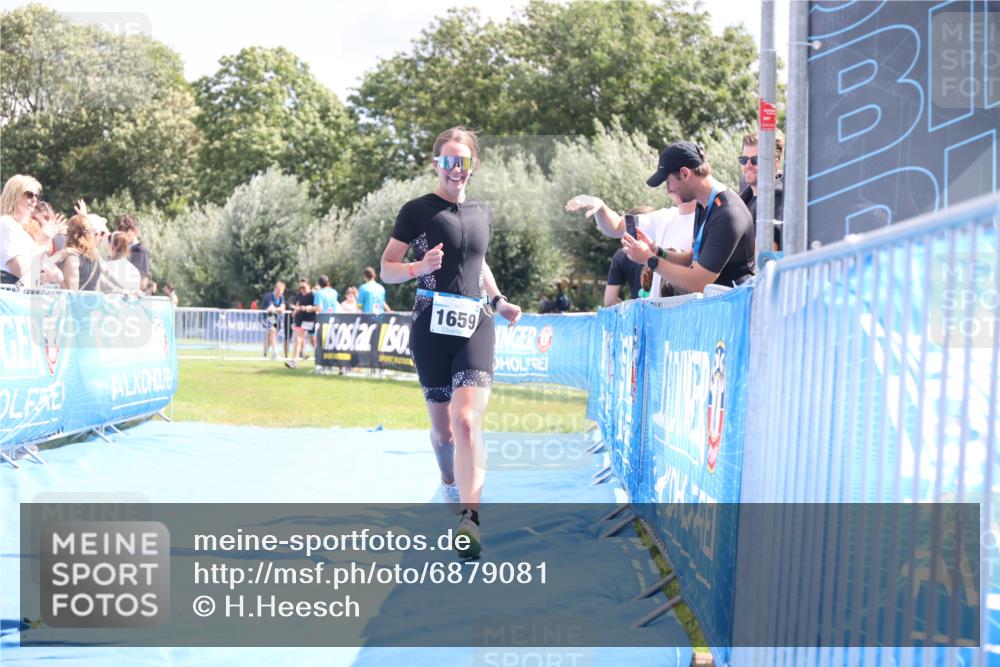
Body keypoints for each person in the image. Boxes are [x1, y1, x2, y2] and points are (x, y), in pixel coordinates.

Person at [379, 126, 522, 559]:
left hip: (474, 324)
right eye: (448, 161)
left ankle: (470, 520)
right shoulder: (417, 210)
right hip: (429, 324)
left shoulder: (482, 212)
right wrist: (418, 266)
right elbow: (387, 269)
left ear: (472, 166)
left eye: (463, 162)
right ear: (436, 164)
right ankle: (447, 483)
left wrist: (497, 301)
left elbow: (478, 265)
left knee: (465, 423)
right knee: (442, 435)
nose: (455, 169)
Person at [619, 141, 755, 293]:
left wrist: (649, 259)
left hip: (736, 310)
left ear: (685, 173)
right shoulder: (703, 204)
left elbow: (698, 282)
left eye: (668, 182)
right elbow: (692, 258)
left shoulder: (727, 213)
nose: (667, 190)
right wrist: (656, 250)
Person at [566, 178, 696, 300]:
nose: (667, 188)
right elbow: (616, 226)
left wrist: (651, 257)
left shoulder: (709, 220)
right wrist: (600, 206)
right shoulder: (664, 217)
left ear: (686, 174)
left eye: (670, 180)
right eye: (665, 181)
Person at [0, 175, 62, 287]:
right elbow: (21, 271)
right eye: (29, 195)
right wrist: (42, 242)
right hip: (9, 299)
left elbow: (57, 276)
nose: (34, 200)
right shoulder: (6, 224)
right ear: (14, 195)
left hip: (22, 297)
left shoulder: (24, 232)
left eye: (37, 196)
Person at [739, 128, 785, 251]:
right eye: (743, 160)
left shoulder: (778, 198)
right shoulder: (741, 202)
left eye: (755, 160)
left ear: (775, 163)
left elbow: (768, 251)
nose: (747, 165)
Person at [604, 206, 655, 306]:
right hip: (667, 313)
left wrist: (630, 311)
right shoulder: (664, 251)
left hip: (637, 318)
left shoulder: (621, 255)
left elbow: (609, 301)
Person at [54, 215, 103, 291]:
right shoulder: (96, 257)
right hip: (93, 302)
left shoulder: (73, 258)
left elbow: (72, 295)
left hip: (78, 302)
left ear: (69, 234)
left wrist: (57, 278)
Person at [285, 277, 316, 369]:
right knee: (297, 340)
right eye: (300, 287)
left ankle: (320, 359)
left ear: (309, 286)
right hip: (300, 320)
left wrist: (306, 308)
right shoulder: (298, 295)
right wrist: (295, 308)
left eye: (304, 287)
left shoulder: (313, 295)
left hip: (310, 320)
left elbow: (317, 307)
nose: (302, 289)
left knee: (313, 342)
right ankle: (293, 361)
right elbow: (291, 304)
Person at [115, 214, 150, 292]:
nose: (123, 235)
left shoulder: (140, 250)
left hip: (131, 298)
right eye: (120, 231)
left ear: (135, 231)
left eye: (126, 231)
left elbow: (143, 282)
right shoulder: (121, 249)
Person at [261, 281, 286, 360]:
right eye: (279, 290)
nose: (281, 292)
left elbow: (282, 308)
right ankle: (275, 353)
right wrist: (277, 309)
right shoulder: (269, 296)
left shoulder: (281, 297)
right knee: (272, 331)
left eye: (282, 290)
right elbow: (270, 308)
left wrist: (277, 309)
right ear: (275, 289)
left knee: (270, 335)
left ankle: (264, 354)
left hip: (275, 318)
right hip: (265, 317)